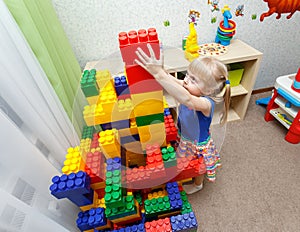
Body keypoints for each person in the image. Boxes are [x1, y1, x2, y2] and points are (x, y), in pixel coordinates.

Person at [135, 44, 231, 194]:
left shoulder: (206, 103)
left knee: (199, 165)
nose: (186, 80)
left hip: (198, 143)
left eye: (193, 80)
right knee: (187, 159)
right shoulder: (187, 85)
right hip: (185, 135)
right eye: (187, 74)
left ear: (208, 90)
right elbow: (172, 81)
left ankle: (198, 184)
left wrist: (159, 74)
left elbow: (187, 100)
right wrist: (161, 72)